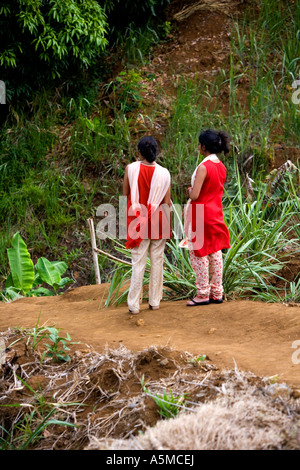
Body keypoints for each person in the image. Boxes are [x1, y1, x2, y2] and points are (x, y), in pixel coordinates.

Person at [123, 136, 171, 314]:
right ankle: (155, 302)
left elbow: (125, 194)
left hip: (137, 223)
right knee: (157, 262)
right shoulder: (165, 173)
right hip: (158, 222)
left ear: (139, 152)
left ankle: (134, 305)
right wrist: (169, 228)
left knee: (138, 263)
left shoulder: (131, 169)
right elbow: (167, 203)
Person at [184, 129, 231, 306]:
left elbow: (195, 195)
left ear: (203, 147)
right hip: (216, 212)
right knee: (215, 251)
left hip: (201, 213)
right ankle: (217, 292)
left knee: (199, 253)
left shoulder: (204, 167)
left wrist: (189, 191)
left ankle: (203, 293)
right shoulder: (221, 166)